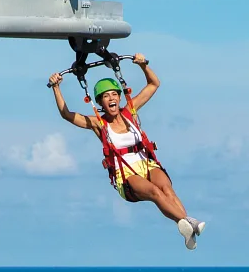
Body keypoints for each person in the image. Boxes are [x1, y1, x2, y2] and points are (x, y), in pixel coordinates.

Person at [48, 53, 206, 249]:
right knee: (155, 193)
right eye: (106, 96)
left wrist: (143, 65)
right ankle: (187, 223)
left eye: (114, 94)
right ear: (100, 102)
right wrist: (56, 87)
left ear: (119, 96)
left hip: (146, 163)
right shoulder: (99, 123)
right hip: (126, 173)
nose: (111, 98)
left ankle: (186, 225)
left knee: (167, 189)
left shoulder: (130, 110)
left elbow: (154, 84)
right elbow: (67, 115)